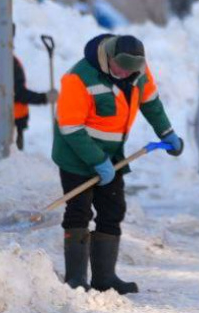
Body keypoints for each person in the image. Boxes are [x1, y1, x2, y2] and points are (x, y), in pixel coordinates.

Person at [52, 34, 183, 293]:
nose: (124, 74)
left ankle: (105, 277)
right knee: (79, 211)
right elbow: (71, 128)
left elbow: (151, 103)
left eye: (130, 70)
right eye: (119, 68)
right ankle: (76, 280)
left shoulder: (138, 71)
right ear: (109, 58)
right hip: (76, 156)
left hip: (112, 154)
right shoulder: (78, 78)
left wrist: (166, 133)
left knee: (113, 210)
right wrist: (98, 161)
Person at [0, 18, 56, 151]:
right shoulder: (7, 59)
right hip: (9, 122)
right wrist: (45, 98)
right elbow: (18, 93)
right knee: (11, 166)